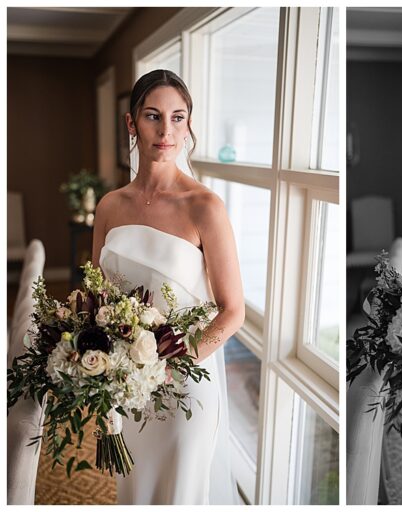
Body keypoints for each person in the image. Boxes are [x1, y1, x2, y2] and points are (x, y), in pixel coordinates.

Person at [91, 69, 243, 505]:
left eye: (178, 118)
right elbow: (97, 296)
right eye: (153, 116)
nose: (166, 131)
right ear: (131, 123)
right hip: (126, 386)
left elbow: (233, 311)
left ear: (188, 124)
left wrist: (171, 366)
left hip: (184, 389)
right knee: (136, 493)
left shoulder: (205, 207)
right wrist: (99, 368)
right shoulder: (109, 206)